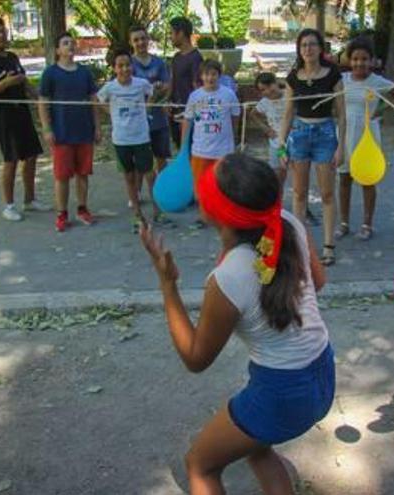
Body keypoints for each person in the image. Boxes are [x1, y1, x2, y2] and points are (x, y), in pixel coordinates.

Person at [139, 153, 333, 495]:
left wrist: (168, 285)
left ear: (216, 213)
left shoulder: (230, 276)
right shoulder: (287, 221)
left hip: (281, 391)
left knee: (201, 465)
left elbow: (196, 358)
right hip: (322, 374)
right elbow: (317, 282)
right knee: (257, 449)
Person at [278, 28, 346, 266]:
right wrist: (281, 146)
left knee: (327, 193)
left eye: (312, 44)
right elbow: (288, 113)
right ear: (299, 49)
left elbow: (342, 113)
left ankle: (328, 246)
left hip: (325, 135)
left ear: (320, 48)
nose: (308, 49)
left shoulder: (333, 75)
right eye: (303, 45)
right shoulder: (293, 76)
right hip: (299, 136)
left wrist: (341, 146)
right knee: (298, 193)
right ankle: (300, 245)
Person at [336, 38, 394, 241]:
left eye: (364, 59)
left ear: (372, 61)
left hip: (367, 134)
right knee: (344, 179)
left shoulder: (377, 82)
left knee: (367, 179)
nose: (360, 63)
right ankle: (343, 222)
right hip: (344, 133)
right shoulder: (342, 79)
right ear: (349, 60)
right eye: (355, 59)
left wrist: (381, 109)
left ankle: (367, 224)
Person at [0, 16, 48, 222]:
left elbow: (24, 81)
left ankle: (30, 199)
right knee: (10, 160)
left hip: (22, 113)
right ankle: (9, 205)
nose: (0, 35)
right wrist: (9, 81)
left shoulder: (12, 56)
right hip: (4, 117)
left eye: (3, 31)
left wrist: (39, 98)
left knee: (31, 155)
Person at [37, 32, 100, 233]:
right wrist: (47, 128)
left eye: (72, 43)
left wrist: (97, 127)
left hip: (83, 131)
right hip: (62, 132)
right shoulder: (51, 73)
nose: (70, 46)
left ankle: (82, 208)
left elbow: (93, 101)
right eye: (65, 43)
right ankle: (62, 213)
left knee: (83, 173)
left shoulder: (85, 73)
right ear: (58, 50)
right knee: (62, 175)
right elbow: (43, 102)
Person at [99, 49, 156, 233]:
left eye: (127, 65)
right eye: (120, 66)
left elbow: (152, 92)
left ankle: (158, 210)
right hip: (121, 140)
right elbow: (98, 99)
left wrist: (147, 108)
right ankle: (137, 215)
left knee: (149, 174)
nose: (125, 69)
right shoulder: (110, 87)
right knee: (129, 177)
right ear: (114, 68)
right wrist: (110, 112)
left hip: (141, 137)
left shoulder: (141, 84)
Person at [183, 59, 241, 229]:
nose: (210, 77)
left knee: (224, 185)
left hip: (223, 150)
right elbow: (187, 120)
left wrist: (235, 139)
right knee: (201, 186)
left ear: (219, 75)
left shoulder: (228, 94)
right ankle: (204, 216)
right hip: (200, 150)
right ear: (201, 76)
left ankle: (224, 216)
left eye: (213, 74)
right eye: (207, 74)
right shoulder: (195, 96)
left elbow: (235, 116)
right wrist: (183, 145)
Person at [130, 25, 174, 226]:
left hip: (159, 118)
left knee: (161, 158)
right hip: (138, 120)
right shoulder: (128, 64)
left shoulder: (159, 63)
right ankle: (137, 195)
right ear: (132, 43)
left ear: (148, 40)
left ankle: (163, 193)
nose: (140, 43)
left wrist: (159, 92)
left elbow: (166, 87)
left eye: (143, 38)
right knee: (140, 161)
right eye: (136, 40)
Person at [169, 17, 204, 148]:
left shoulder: (196, 58)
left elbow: (198, 87)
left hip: (190, 113)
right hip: (175, 110)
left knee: (190, 149)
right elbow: (172, 81)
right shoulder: (176, 57)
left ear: (181, 33)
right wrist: (166, 101)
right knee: (180, 148)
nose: (170, 37)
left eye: (172, 33)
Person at [251, 72, 287, 182]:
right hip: (278, 145)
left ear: (276, 82)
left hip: (294, 142)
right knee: (278, 174)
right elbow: (253, 114)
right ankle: (278, 198)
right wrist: (266, 129)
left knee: (297, 175)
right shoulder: (264, 102)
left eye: (269, 86)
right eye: (263, 89)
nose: (268, 91)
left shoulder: (289, 95)